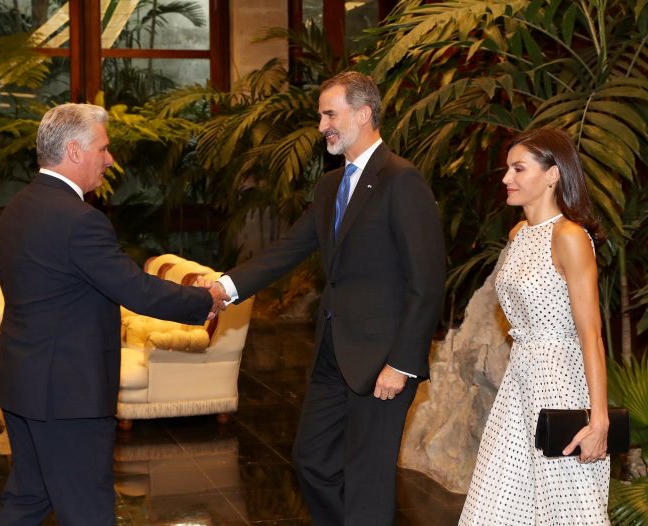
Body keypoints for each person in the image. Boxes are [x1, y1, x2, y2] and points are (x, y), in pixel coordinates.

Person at [210, 71, 446, 525]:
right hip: (332, 356)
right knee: (312, 460)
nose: (321, 126)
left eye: (329, 114)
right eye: (321, 116)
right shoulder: (329, 187)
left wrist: (402, 363)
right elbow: (286, 252)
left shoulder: (401, 180)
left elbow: (427, 281)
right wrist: (226, 288)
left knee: (367, 479)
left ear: (363, 113)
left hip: (384, 360)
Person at [0, 103, 229, 526]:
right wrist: (204, 299)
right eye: (103, 148)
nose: (110, 159)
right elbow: (133, 288)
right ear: (75, 151)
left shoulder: (18, 208)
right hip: (67, 395)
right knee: (88, 510)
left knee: (28, 497)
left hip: (23, 383)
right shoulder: (79, 220)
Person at [459, 127, 610, 525]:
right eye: (508, 168)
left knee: (568, 508)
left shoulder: (570, 236)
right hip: (519, 381)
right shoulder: (519, 234)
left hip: (560, 381)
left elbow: (591, 335)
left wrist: (598, 420)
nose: (507, 178)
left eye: (518, 168)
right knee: (495, 504)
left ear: (553, 174)